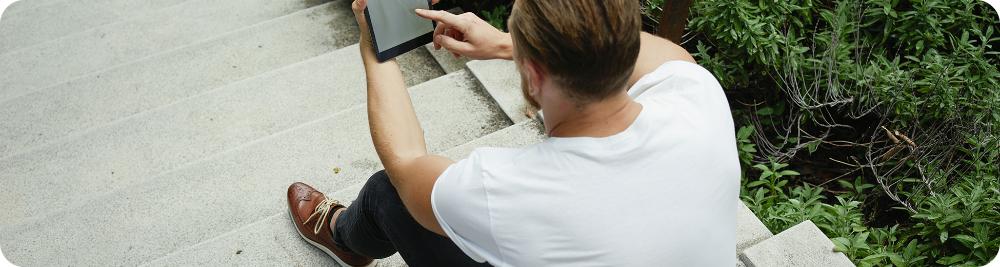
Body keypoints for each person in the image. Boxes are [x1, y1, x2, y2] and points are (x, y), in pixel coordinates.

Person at [286, 0, 740, 266]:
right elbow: (662, 52)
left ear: (534, 75)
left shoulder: (503, 191)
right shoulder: (696, 96)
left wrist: (374, 51)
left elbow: (404, 160)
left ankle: (344, 238)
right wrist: (509, 46)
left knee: (390, 193)